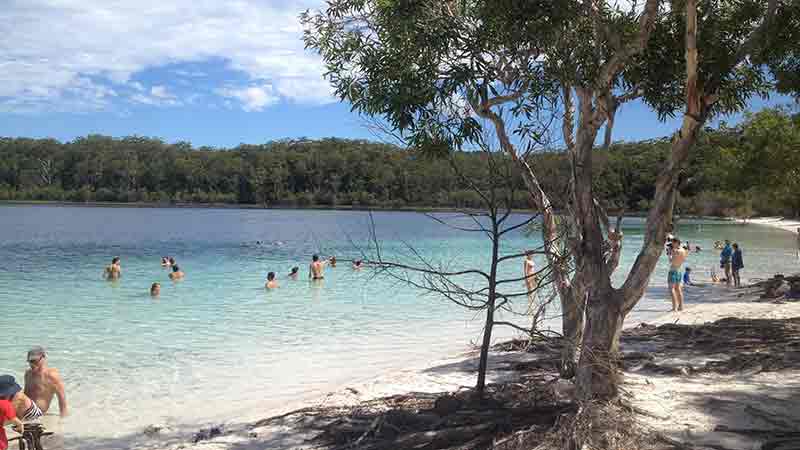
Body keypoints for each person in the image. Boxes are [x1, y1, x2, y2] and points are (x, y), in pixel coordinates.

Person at [24, 347, 68, 418]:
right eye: (29, 361)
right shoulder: (28, 374)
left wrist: (62, 422)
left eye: (35, 361)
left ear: (43, 358)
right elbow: (25, 395)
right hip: (26, 414)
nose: (32, 364)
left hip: (39, 416)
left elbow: (62, 400)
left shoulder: (52, 376)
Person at [668, 238, 689, 312]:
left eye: (673, 243)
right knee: (678, 289)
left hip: (673, 270)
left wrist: (669, 254)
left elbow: (671, 261)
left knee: (672, 289)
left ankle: (674, 308)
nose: (672, 244)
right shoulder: (683, 251)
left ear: (676, 243)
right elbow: (683, 258)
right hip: (679, 270)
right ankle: (681, 306)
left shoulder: (675, 251)